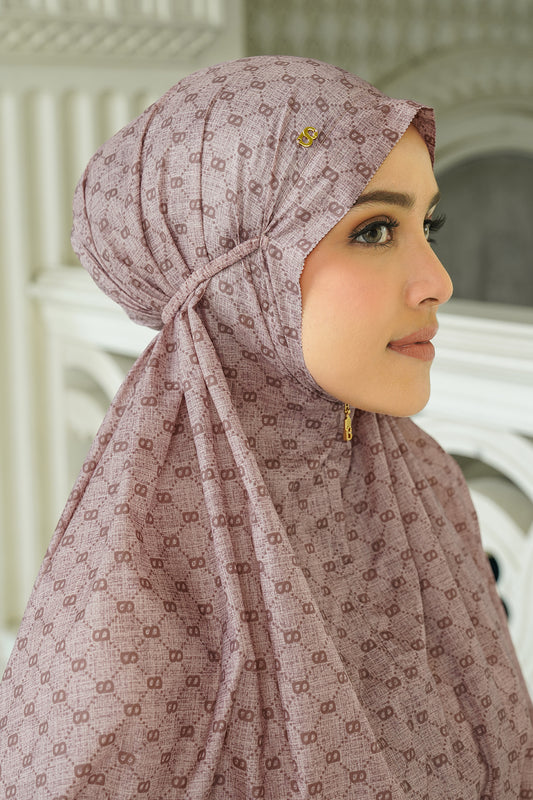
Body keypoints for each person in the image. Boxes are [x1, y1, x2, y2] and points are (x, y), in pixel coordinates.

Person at [0, 55, 531, 799]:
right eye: (375, 230)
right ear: (238, 277)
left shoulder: (429, 485)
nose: (437, 282)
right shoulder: (145, 556)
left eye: (427, 225)